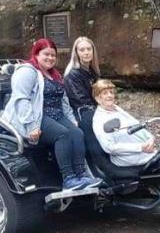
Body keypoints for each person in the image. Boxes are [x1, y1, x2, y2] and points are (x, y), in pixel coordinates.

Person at [1, 38, 102, 191]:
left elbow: (64, 100)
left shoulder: (54, 74)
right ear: (36, 54)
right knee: (63, 134)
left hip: (56, 114)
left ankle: (82, 175)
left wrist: (71, 119)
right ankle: (69, 178)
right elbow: (21, 99)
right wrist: (31, 126)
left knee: (77, 133)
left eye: (53, 55)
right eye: (46, 54)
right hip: (36, 116)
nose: (50, 58)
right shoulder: (27, 71)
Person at [92, 79, 156, 167]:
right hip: (130, 158)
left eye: (111, 92)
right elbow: (109, 147)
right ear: (98, 98)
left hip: (147, 150)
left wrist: (150, 138)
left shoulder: (116, 108)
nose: (110, 95)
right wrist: (140, 147)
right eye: (105, 93)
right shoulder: (99, 119)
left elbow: (136, 124)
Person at [64, 36, 100, 120]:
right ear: (76, 53)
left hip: (94, 109)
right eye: (82, 50)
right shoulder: (72, 74)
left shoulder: (92, 71)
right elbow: (81, 101)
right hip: (82, 113)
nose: (86, 52)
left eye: (89, 49)